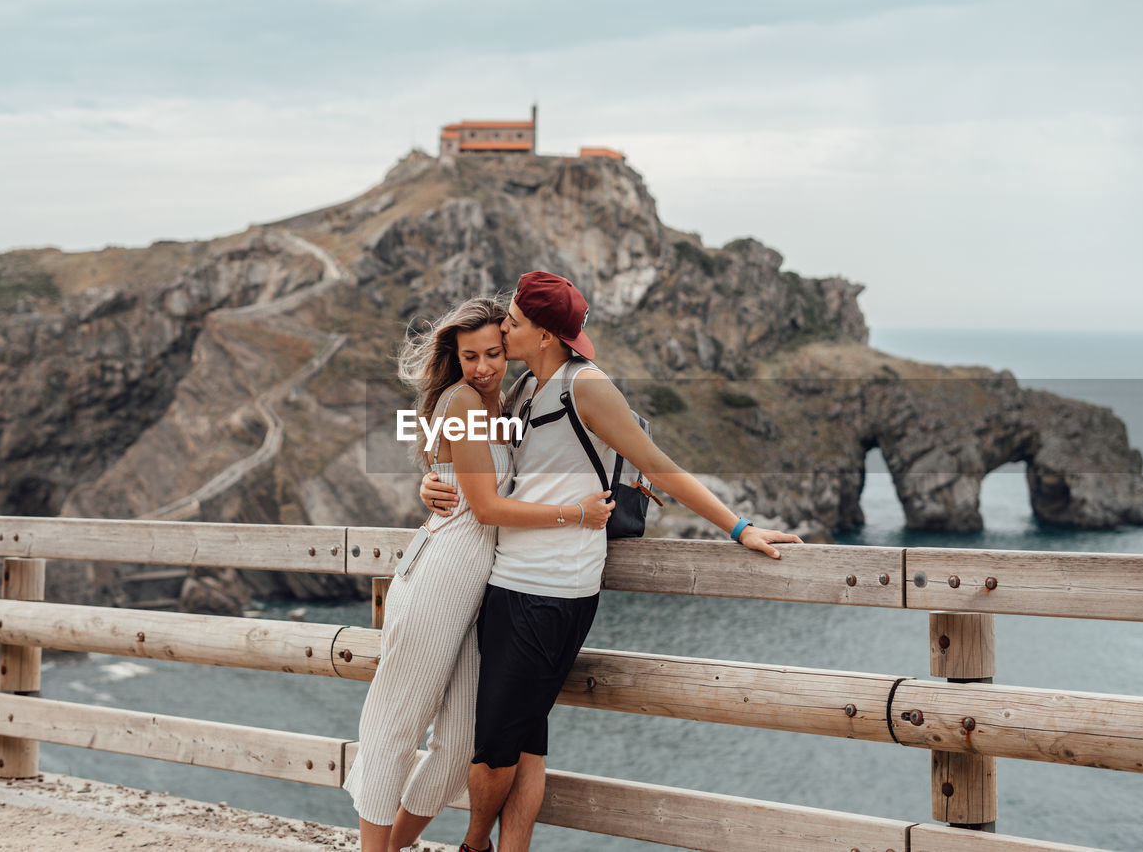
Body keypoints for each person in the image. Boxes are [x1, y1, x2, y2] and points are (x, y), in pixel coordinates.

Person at [420, 271, 804, 852]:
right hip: (509, 584)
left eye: (515, 323)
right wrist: (433, 483)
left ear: (546, 335)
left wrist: (741, 527)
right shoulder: (525, 388)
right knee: (526, 741)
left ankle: (473, 847)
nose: (504, 327)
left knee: (494, 744)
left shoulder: (587, 387)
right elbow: (485, 467)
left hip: (552, 593)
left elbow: (659, 463)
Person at [342, 296, 613, 852]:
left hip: (485, 587)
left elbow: (454, 443)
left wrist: (433, 471)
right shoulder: (464, 399)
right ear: (455, 356)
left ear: (511, 349)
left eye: (494, 352)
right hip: (442, 574)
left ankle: (393, 847)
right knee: (396, 727)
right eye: (470, 356)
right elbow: (485, 505)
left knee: (460, 743)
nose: (484, 366)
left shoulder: (510, 401)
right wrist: (577, 514)